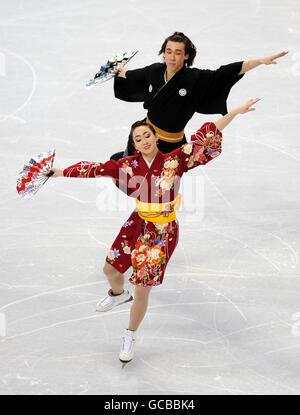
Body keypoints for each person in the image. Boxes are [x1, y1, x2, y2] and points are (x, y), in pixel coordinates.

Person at [48, 97, 260, 363]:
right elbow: (93, 169)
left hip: (162, 231)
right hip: (137, 223)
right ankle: (117, 294)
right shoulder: (127, 166)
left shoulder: (176, 159)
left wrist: (235, 113)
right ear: (134, 145)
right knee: (110, 270)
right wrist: (58, 172)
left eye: (147, 135)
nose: (144, 140)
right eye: (138, 139)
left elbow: (204, 139)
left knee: (142, 287)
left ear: (156, 136)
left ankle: (130, 334)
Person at [110, 31, 287, 160]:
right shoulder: (155, 71)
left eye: (178, 53)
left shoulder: (195, 79)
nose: (171, 57)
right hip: (146, 136)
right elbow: (135, 76)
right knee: (125, 168)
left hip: (172, 146)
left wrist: (259, 62)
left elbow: (223, 74)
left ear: (186, 55)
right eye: (168, 51)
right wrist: (122, 71)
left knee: (158, 186)